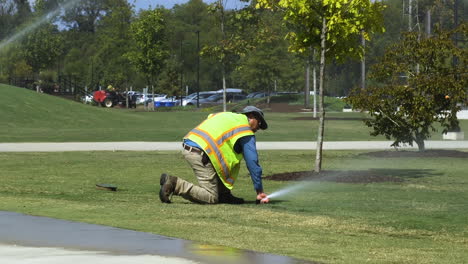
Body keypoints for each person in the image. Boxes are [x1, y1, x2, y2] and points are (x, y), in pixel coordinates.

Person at [159, 106, 270, 204]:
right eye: (259, 123)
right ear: (251, 116)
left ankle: (224, 195)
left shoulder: (227, 116)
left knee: (219, 171)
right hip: (201, 153)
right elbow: (252, 162)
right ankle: (175, 184)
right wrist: (259, 191)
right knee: (211, 197)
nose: (258, 128)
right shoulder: (245, 129)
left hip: (192, 145)